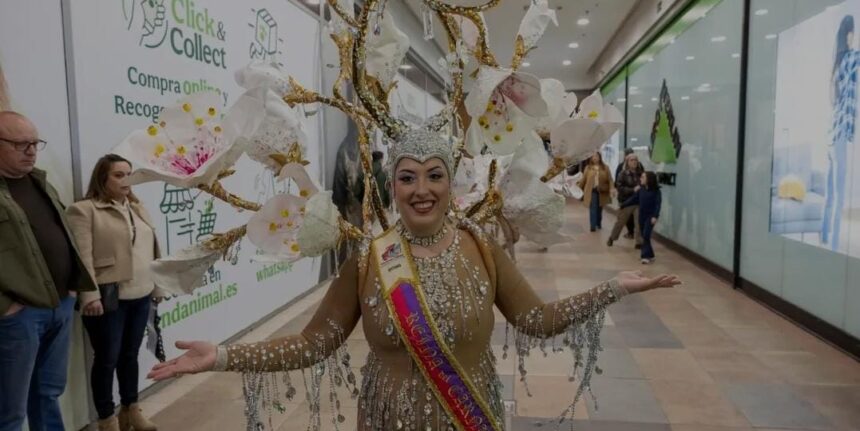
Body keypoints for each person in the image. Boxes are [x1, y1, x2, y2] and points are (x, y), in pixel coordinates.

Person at [147, 129, 681, 430]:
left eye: (434, 175)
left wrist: (613, 287)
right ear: (393, 185)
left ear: (451, 183)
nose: (421, 189)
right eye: (407, 177)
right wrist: (221, 356)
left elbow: (537, 320)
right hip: (386, 421)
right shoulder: (369, 259)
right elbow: (314, 343)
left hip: (469, 415)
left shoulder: (483, 248)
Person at [0, 111, 97, 431]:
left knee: (47, 393)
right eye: (20, 144)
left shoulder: (40, 182)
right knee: (10, 410)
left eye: (34, 143)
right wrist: (6, 307)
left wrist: (71, 288)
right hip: (19, 317)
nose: (30, 150)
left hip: (61, 305)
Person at [66, 154, 166, 431]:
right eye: (118, 175)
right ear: (102, 178)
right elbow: (82, 258)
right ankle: (107, 419)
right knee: (107, 358)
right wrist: (90, 295)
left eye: (129, 174)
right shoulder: (85, 210)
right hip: (109, 298)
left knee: (130, 355)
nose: (126, 180)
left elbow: (151, 251)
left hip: (141, 293)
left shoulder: (137, 207)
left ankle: (131, 410)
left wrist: (157, 286)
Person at [822, 15, 858, 251]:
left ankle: (825, 237)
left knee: (830, 194)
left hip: (830, 135)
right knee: (839, 195)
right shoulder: (852, 58)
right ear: (849, 34)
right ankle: (834, 247)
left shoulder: (836, 64)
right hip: (841, 135)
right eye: (854, 32)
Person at [621, 171, 662, 264]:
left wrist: (655, 216)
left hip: (650, 216)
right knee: (644, 235)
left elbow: (658, 205)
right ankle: (651, 255)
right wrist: (623, 205)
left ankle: (645, 256)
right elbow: (634, 199)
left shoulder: (656, 191)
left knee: (646, 235)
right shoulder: (641, 189)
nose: (641, 179)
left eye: (643, 177)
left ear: (649, 179)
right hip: (642, 216)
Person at [608, 153, 644, 248]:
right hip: (626, 201)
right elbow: (619, 187)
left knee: (638, 222)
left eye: (635, 160)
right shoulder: (623, 173)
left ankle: (639, 242)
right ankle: (612, 237)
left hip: (638, 201)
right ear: (627, 162)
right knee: (620, 222)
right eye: (631, 160)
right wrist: (632, 189)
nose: (634, 162)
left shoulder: (641, 173)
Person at [577, 151, 613, 232]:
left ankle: (598, 222)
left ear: (600, 157)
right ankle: (592, 226)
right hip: (591, 191)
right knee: (593, 208)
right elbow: (583, 180)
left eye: (596, 156)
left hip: (602, 191)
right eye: (593, 156)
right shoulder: (588, 168)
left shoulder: (605, 168)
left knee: (599, 209)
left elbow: (610, 180)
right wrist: (577, 189)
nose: (595, 158)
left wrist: (612, 188)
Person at [614, 148, 637, 238]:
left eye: (634, 159)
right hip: (624, 196)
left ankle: (632, 232)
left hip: (635, 197)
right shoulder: (620, 167)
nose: (633, 161)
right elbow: (618, 182)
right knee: (626, 216)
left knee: (634, 215)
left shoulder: (639, 167)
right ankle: (630, 231)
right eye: (629, 156)